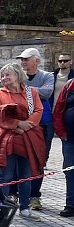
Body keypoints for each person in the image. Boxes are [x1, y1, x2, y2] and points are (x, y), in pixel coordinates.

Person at [0, 62, 46, 220]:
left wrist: (26, 125)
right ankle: (1, 209)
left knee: (25, 174)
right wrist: (17, 124)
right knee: (5, 174)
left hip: (27, 138)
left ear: (18, 75)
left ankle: (24, 208)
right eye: (2, 75)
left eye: (7, 75)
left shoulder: (32, 92)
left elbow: (38, 110)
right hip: (8, 140)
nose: (4, 78)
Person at [18, 48, 54, 211]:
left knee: (39, 161)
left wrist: (24, 90)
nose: (23, 62)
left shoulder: (47, 76)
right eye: (22, 59)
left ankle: (34, 197)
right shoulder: (18, 75)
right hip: (21, 123)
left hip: (42, 124)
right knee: (18, 159)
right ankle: (15, 193)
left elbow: (47, 93)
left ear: (37, 60)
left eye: (26, 59)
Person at [52, 72, 74, 217]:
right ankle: (71, 205)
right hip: (70, 139)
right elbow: (59, 109)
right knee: (70, 172)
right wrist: (61, 132)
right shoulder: (69, 85)